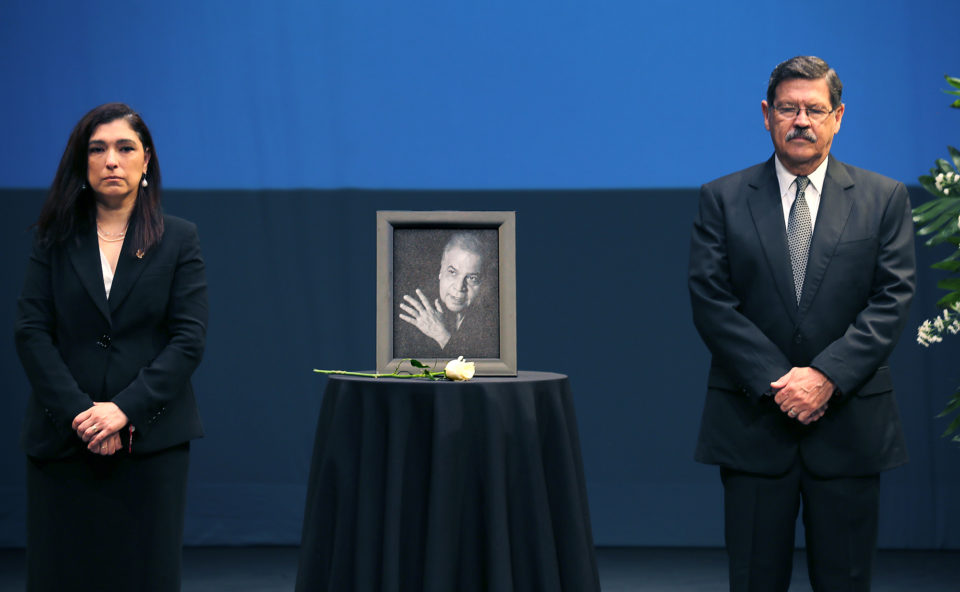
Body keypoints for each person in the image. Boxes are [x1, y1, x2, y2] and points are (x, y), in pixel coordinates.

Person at [688, 56, 916, 591]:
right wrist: (782, 383)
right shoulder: (722, 199)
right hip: (753, 424)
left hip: (848, 427)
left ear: (838, 116)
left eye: (814, 109)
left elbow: (892, 299)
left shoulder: (884, 198)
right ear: (766, 115)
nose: (801, 121)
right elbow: (711, 302)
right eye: (788, 108)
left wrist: (825, 377)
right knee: (753, 580)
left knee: (846, 581)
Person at [14, 103, 208, 591]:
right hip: (64, 441)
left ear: (147, 161)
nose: (112, 160)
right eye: (97, 149)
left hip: (151, 442)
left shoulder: (179, 239)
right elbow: (31, 332)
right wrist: (83, 416)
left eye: (125, 148)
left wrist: (123, 410)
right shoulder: (53, 238)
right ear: (83, 162)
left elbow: (188, 339)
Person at [397, 231, 499, 358]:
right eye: (452, 272)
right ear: (441, 271)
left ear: (482, 283)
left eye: (472, 278)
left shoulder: (493, 324)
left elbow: (475, 368)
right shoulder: (414, 319)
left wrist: (442, 336)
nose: (459, 287)